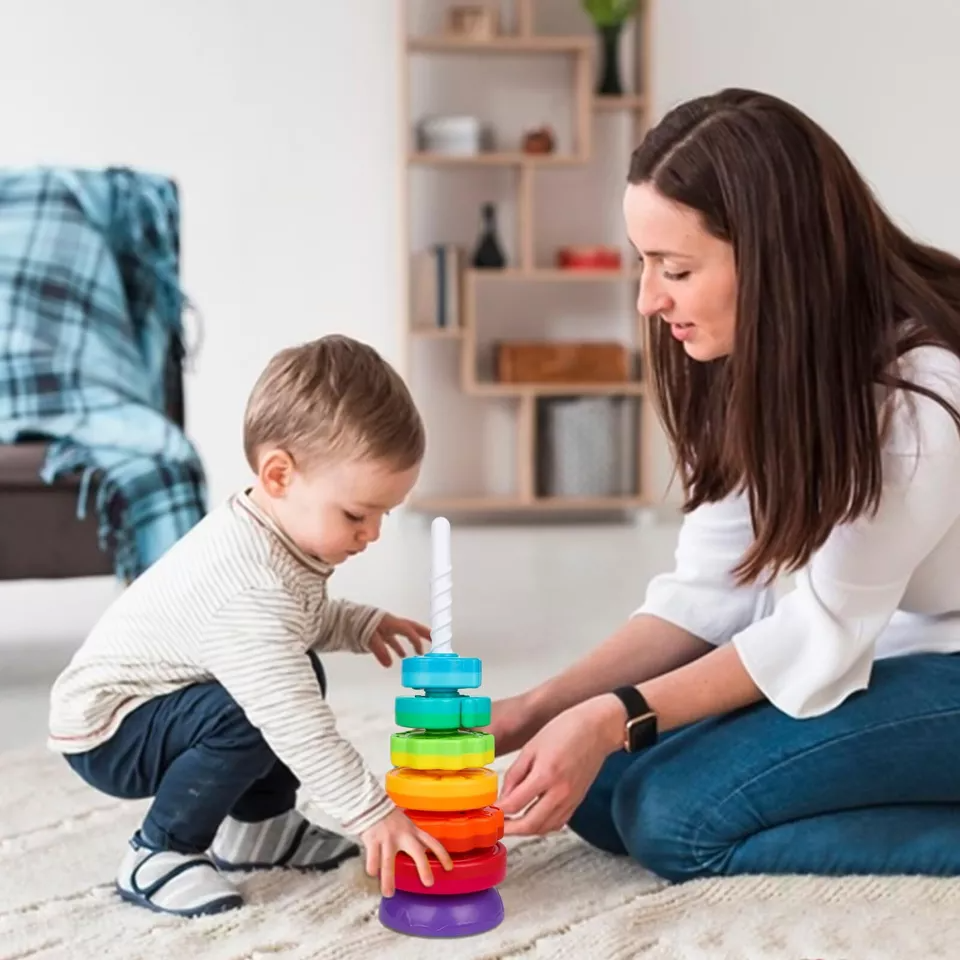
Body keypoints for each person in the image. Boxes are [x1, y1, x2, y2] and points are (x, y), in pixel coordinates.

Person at [488, 87, 960, 880]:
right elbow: (710, 591)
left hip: (936, 659)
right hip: (893, 646)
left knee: (675, 819)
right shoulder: (758, 360)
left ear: (776, 259)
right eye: (645, 263)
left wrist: (616, 714)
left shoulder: (918, 398)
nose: (647, 298)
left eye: (674, 268)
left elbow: (816, 633)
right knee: (602, 789)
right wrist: (545, 708)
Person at [47, 334, 453, 917]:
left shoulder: (270, 537)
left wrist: (360, 625)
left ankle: (258, 828)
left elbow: (296, 621)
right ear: (279, 475)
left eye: (383, 514)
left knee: (292, 670)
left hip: (158, 700)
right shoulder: (246, 585)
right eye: (356, 514)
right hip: (112, 729)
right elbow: (292, 719)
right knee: (258, 703)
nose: (373, 533)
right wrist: (372, 813)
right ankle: (156, 852)